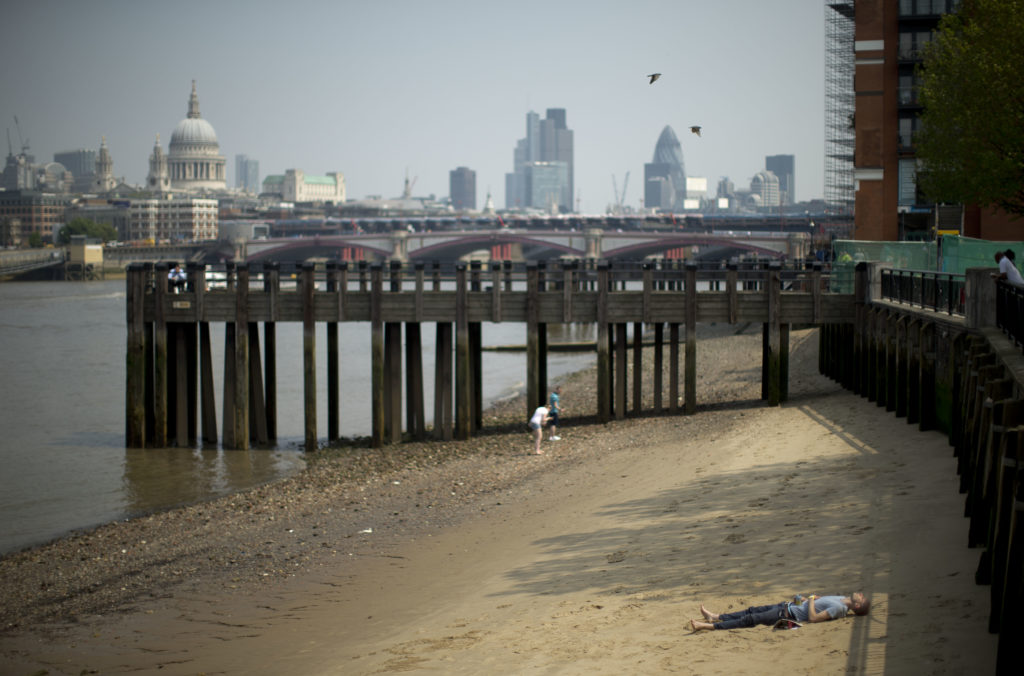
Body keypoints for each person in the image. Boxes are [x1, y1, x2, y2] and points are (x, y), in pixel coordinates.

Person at [690, 591, 870, 631]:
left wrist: (813, 601)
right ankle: (715, 616)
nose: (860, 594)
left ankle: (705, 626)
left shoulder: (839, 608)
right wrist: (808, 599)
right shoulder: (841, 598)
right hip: (788, 605)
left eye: (861, 598)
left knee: (751, 619)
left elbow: (814, 618)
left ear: (857, 606)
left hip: (788, 615)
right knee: (751, 610)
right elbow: (816, 601)